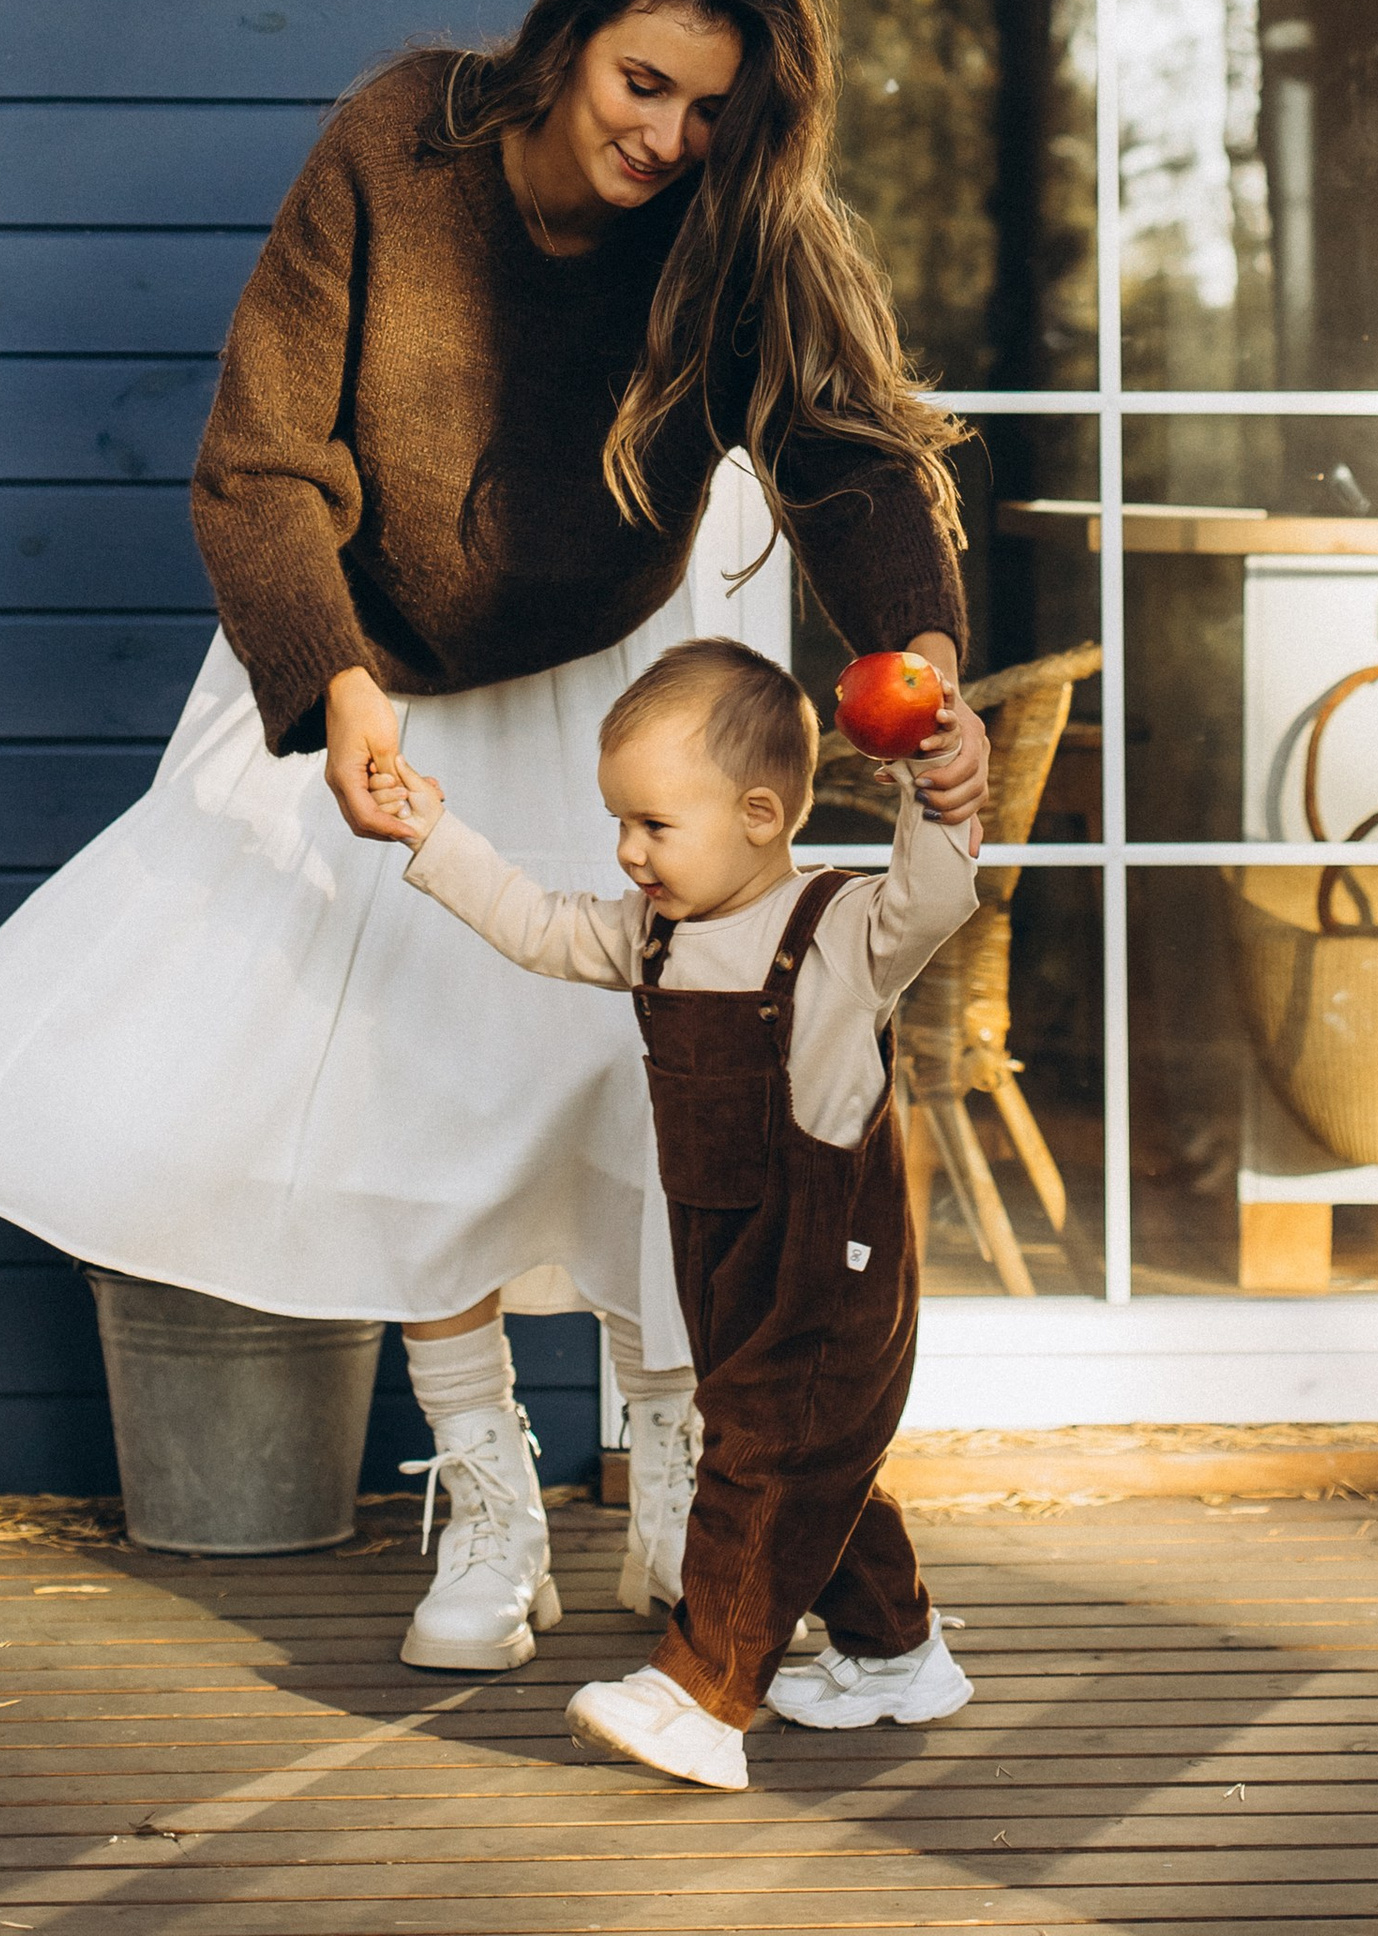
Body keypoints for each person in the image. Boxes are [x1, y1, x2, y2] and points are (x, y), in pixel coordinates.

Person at [0, 0, 989, 1671]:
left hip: (611, 708)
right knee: (411, 1096)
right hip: (369, 685)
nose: (666, 136)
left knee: (661, 1088)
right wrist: (330, 684)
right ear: (567, 41)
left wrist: (916, 662)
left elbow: (848, 459)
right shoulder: (400, 142)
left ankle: (687, 1477)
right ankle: (485, 1484)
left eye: (710, 110)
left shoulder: (725, 225)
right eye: (644, 83)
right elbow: (261, 461)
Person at [373, 634, 985, 1792]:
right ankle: (899, 1652)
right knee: (806, 1462)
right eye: (620, 824)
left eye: (653, 826)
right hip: (726, 1257)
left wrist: (933, 773)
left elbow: (938, 889)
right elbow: (537, 925)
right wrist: (431, 838)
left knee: (759, 1462)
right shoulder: (653, 932)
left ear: (761, 813)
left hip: (829, 1270)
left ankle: (702, 1693)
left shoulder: (845, 933)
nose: (627, 852)